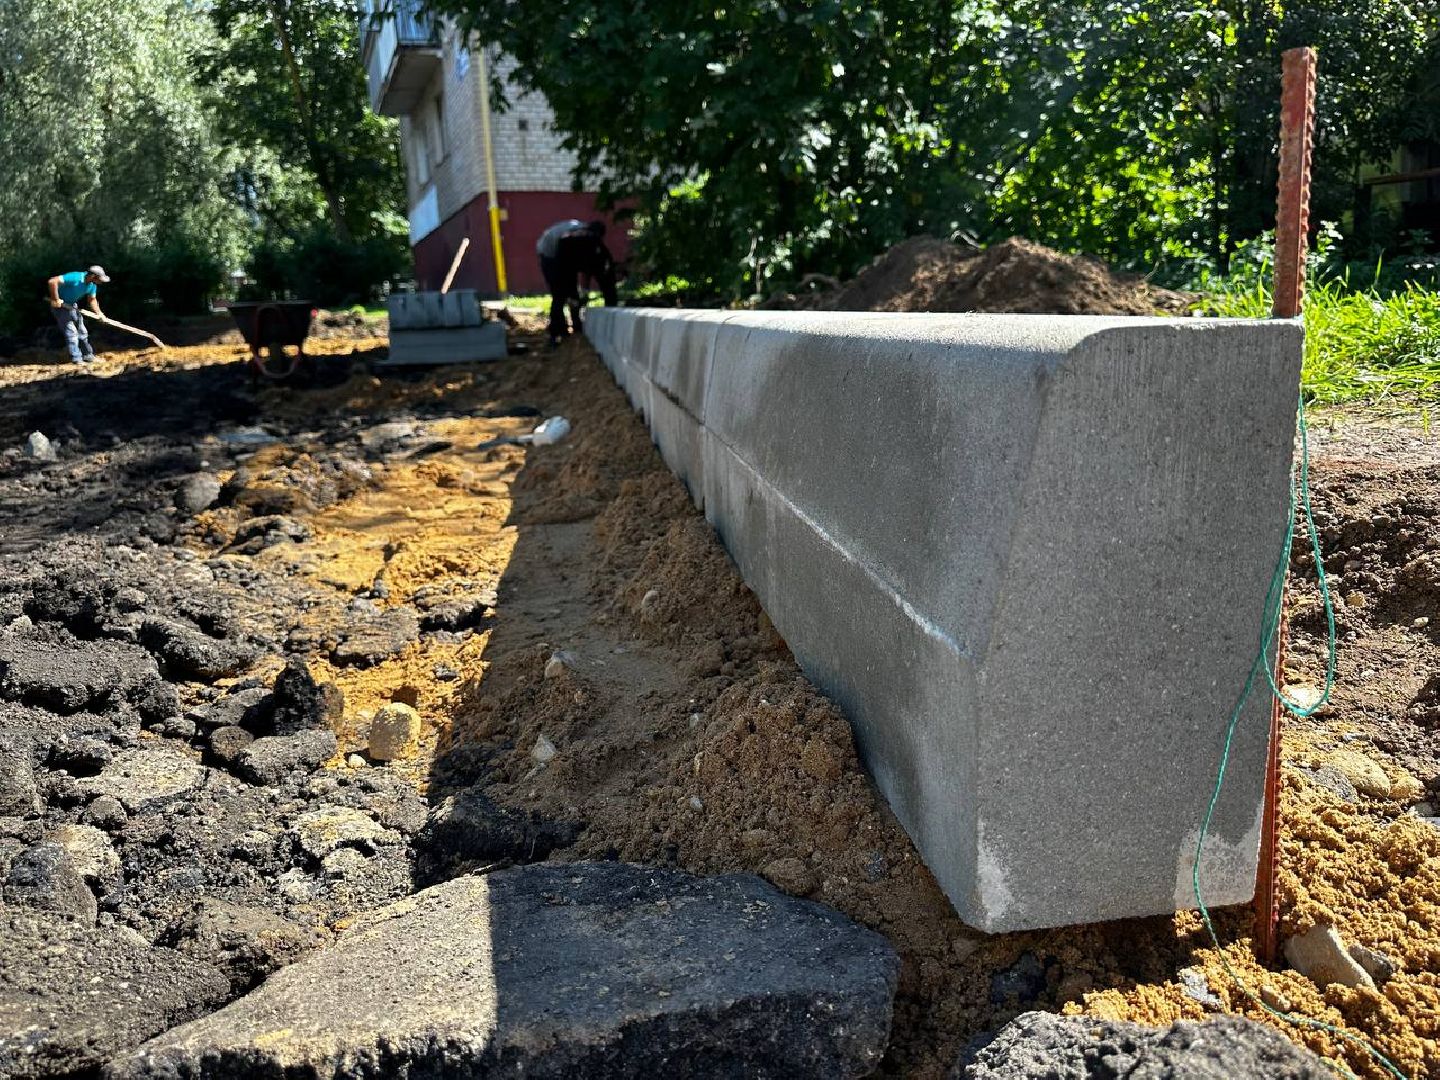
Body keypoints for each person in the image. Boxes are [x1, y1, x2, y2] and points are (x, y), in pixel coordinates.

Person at [536, 220, 617, 346]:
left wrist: (584, 291)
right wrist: (573, 294)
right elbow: (565, 269)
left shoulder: (593, 243)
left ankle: (577, 327)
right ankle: (557, 331)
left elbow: (590, 269)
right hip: (549, 254)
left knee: (572, 294)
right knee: (559, 294)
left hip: (566, 256)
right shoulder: (572, 239)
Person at [46, 265, 110, 365]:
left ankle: (88, 356)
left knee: (82, 331)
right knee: (71, 333)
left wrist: (99, 313)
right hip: (60, 307)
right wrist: (55, 299)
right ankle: (77, 359)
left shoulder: (92, 285)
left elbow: (92, 300)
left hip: (72, 306)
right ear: (93, 276)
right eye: (99, 279)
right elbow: (52, 281)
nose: (101, 282)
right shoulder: (75, 277)